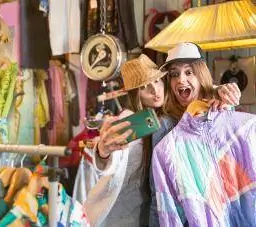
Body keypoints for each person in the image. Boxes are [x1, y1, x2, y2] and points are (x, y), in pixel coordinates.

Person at [83, 46, 241, 226]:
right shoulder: (143, 121)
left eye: (157, 81)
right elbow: (115, 156)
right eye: (143, 87)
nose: (154, 90)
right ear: (136, 95)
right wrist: (103, 152)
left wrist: (221, 92)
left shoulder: (203, 110)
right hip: (131, 214)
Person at [152, 42, 256, 226]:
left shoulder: (227, 112)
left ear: (201, 74)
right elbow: (160, 195)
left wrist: (224, 100)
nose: (181, 80)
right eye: (174, 74)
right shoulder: (165, 129)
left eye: (189, 72)